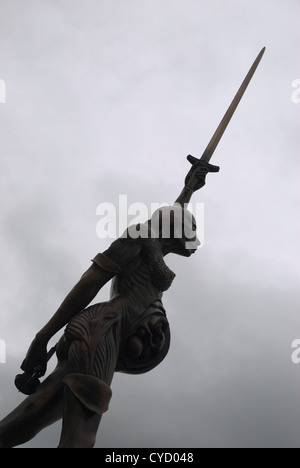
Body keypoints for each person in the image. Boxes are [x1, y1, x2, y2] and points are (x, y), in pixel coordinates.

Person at [0, 163, 210, 448]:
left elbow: (171, 217)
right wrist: (42, 337)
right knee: (81, 436)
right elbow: (90, 282)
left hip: (112, 336)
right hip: (101, 333)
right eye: (188, 228)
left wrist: (188, 189)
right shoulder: (138, 236)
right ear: (174, 229)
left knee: (31, 415)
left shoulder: (155, 246)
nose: (192, 240)